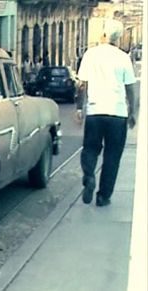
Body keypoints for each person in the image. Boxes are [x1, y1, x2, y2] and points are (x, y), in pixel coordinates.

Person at [74, 20, 138, 207]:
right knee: (112, 156)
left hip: (95, 111)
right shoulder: (123, 57)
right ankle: (103, 196)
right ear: (119, 38)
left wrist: (80, 108)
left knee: (90, 149)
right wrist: (133, 111)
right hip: (118, 113)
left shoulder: (90, 55)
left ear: (103, 35)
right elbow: (130, 88)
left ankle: (88, 176)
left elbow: (82, 85)